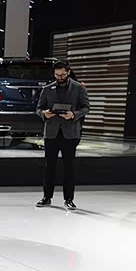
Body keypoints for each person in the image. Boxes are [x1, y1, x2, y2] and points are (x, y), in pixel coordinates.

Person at [36, 60, 91, 211]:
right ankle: (47, 197)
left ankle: (69, 199)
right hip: (51, 133)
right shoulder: (47, 89)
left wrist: (74, 114)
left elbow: (86, 108)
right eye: (57, 75)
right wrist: (44, 114)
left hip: (70, 133)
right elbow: (38, 108)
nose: (60, 77)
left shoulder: (79, 88)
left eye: (62, 75)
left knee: (69, 168)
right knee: (49, 167)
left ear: (68, 72)